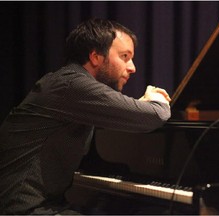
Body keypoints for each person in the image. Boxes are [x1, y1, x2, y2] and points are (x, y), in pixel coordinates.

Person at [0, 18, 171, 215]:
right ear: (96, 56)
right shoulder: (72, 86)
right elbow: (155, 115)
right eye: (125, 56)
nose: (132, 67)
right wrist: (156, 98)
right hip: (22, 210)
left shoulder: (66, 85)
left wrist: (140, 106)